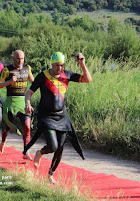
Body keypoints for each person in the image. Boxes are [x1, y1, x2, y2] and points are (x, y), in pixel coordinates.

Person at [24, 52, 92, 184]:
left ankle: (50, 175)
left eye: (62, 65)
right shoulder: (43, 76)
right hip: (46, 116)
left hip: (61, 116)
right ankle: (40, 153)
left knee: (60, 148)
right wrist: (27, 103)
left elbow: (87, 79)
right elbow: (29, 92)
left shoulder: (67, 75)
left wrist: (82, 64)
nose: (59, 68)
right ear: (52, 64)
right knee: (53, 146)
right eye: (57, 65)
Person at [0, 50, 34, 160]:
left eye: (22, 58)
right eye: (18, 59)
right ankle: (3, 142)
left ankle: (26, 152)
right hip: (11, 102)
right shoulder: (7, 70)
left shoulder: (27, 69)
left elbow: (33, 82)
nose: (20, 61)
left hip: (23, 103)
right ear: (13, 58)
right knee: (7, 127)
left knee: (27, 127)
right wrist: (9, 82)